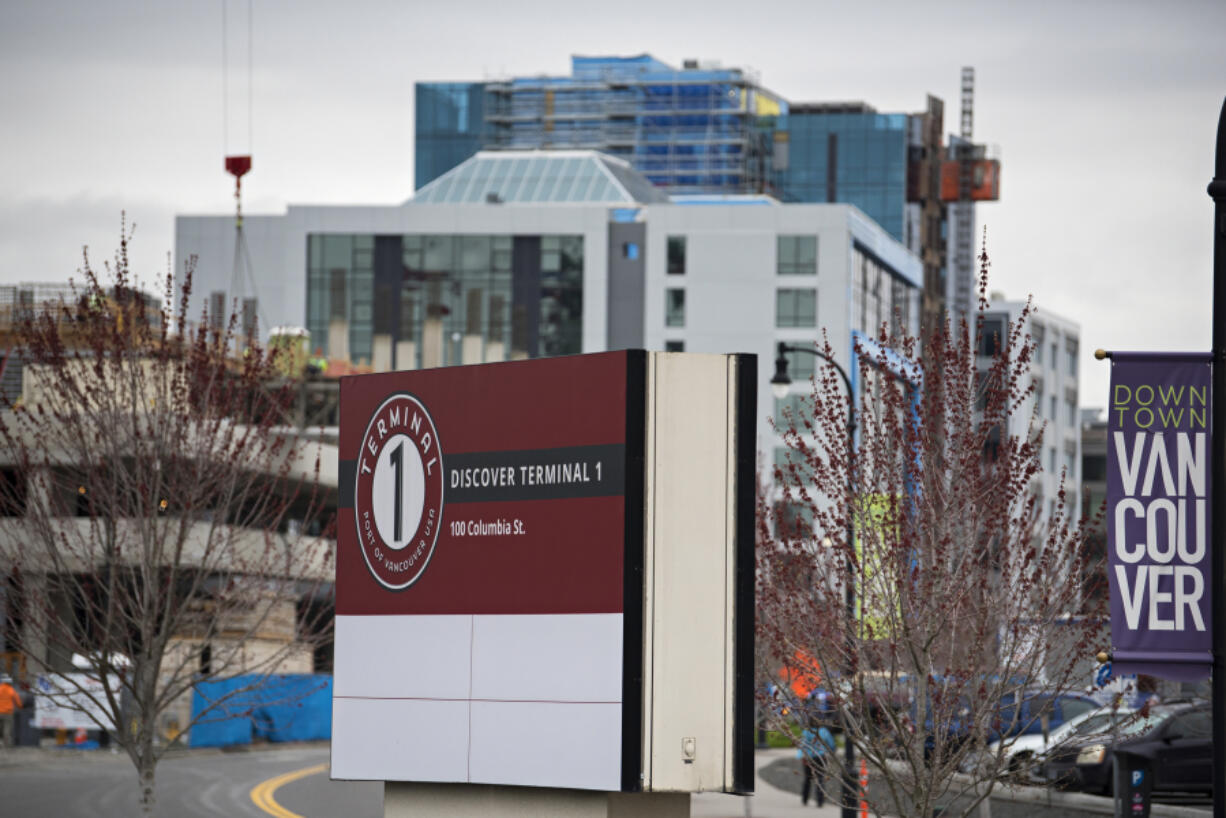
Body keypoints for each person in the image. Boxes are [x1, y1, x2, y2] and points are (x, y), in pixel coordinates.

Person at [799, 716, 836, 807]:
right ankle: (820, 801)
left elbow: (802, 744)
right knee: (820, 778)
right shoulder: (824, 731)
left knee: (807, 779)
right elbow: (831, 744)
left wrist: (801, 756)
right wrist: (831, 751)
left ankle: (805, 799)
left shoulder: (806, 731)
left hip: (809, 757)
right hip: (821, 757)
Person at [0, 674, 22, 748]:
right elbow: (18, 701)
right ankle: (6, 744)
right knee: (7, 728)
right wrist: (20, 706)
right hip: (8, 713)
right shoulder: (11, 690)